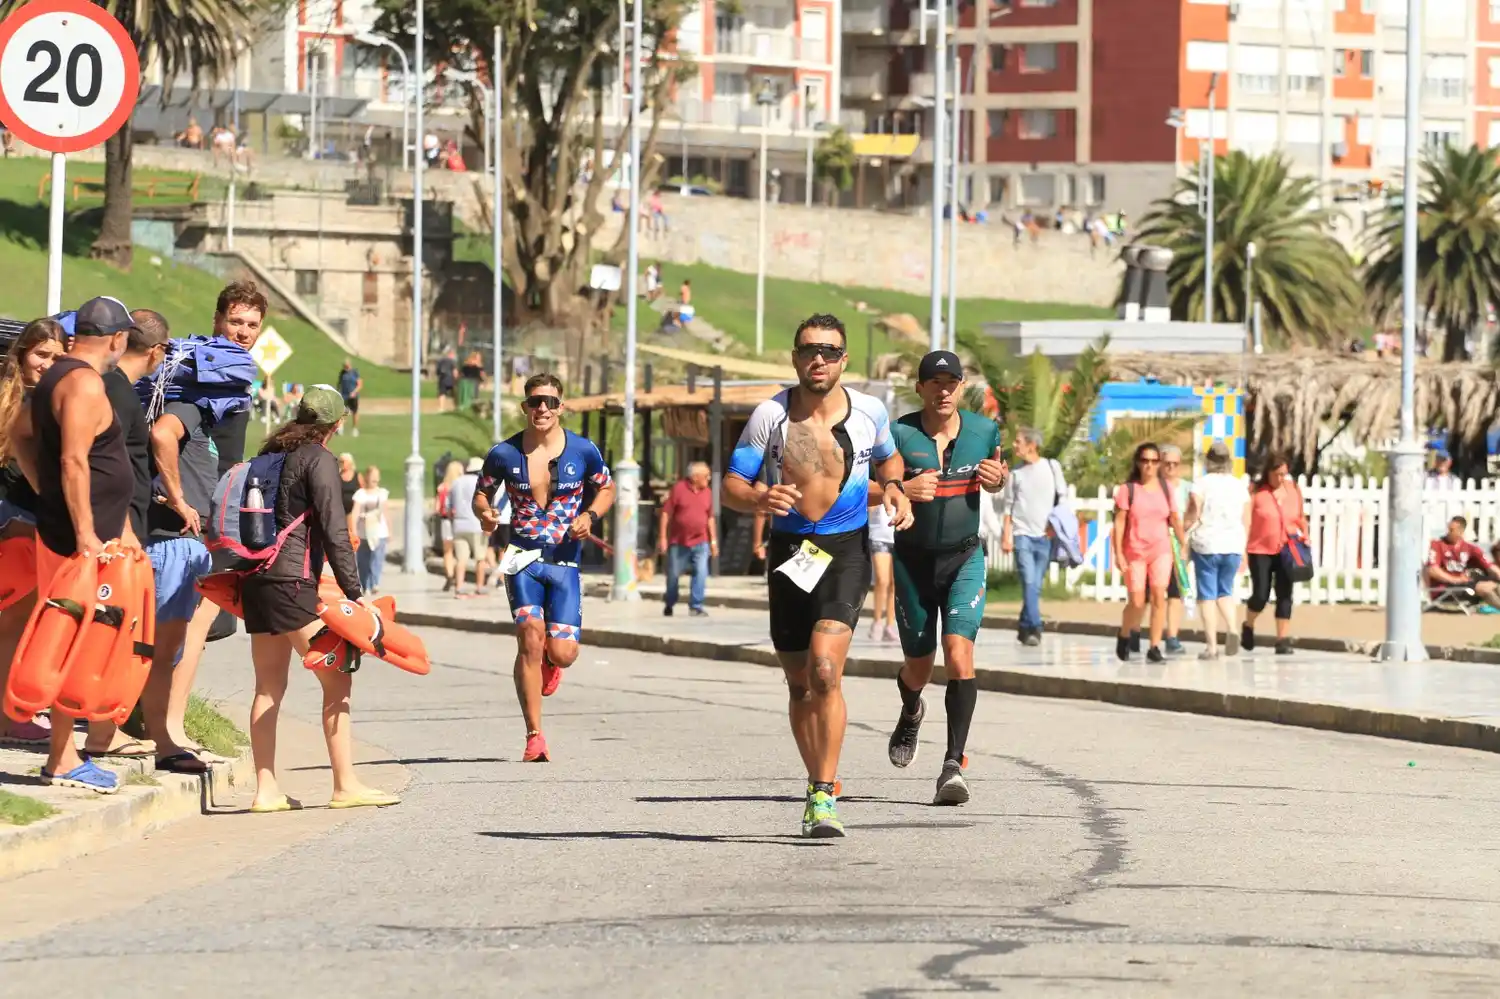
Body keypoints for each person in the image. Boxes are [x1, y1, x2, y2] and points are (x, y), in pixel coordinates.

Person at [723, 313, 912, 839]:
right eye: (809, 350)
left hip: (845, 548)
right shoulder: (771, 416)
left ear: (843, 359)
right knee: (799, 682)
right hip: (790, 550)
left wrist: (894, 490)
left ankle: (822, 795)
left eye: (829, 351)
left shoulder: (870, 410)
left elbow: (889, 462)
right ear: (795, 357)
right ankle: (818, 778)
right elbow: (731, 486)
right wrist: (760, 496)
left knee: (826, 671)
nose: (819, 359)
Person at [240, 387, 398, 812]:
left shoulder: (267, 456)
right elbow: (333, 528)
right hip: (292, 584)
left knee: (268, 686)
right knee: (337, 679)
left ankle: (266, 790)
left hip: (255, 580)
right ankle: (345, 785)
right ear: (337, 424)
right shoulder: (319, 458)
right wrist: (355, 593)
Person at [18, 298, 139, 793]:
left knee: (72, 640)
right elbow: (73, 461)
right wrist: (88, 533)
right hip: (79, 545)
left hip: (72, 532)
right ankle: (62, 761)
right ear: (117, 340)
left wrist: (46, 492)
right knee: (76, 645)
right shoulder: (86, 383)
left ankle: (64, 755)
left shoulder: (54, 378)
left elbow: (19, 435)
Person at [885, 350, 1007, 805]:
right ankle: (912, 709)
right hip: (913, 563)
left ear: (961, 387)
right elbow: (864, 487)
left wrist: (997, 480)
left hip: (964, 559)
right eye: (934, 382)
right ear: (920, 388)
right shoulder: (899, 433)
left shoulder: (983, 431)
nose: (943, 390)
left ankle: (953, 766)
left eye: (951, 382)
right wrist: (900, 489)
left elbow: (997, 475)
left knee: (959, 653)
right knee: (919, 666)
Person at [474, 374, 616, 763]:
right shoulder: (504, 454)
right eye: (535, 402)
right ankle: (534, 735)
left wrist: (590, 515)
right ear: (525, 407)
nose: (542, 409)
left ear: (560, 408)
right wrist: (486, 514)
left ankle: (553, 662)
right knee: (528, 636)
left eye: (549, 402)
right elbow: (482, 494)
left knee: (564, 652)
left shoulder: (583, 451)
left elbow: (607, 487)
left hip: (565, 560)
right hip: (522, 558)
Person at [82, 310, 169, 761]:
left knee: (115, 630)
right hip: (119, 531)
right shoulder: (117, 391)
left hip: (122, 527)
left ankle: (104, 728)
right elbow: (105, 461)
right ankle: (100, 731)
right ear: (155, 351)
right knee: (110, 631)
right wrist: (128, 530)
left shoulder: (118, 390)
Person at [139, 312, 221, 775]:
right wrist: (179, 498)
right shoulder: (191, 403)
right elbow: (161, 435)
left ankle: (128, 731)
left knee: (146, 643)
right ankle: (163, 740)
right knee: (161, 646)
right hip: (173, 540)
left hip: (169, 539)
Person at [0, 319, 65, 747]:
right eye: (41, 354)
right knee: (16, 622)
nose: (48, 364)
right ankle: (9, 716)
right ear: (22, 354)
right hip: (16, 520)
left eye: (58, 357)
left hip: (18, 518)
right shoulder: (25, 402)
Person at [1111, 442, 1185, 663]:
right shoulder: (1128, 490)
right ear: (1138, 463)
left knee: (1159, 597)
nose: (1149, 466)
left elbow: (1174, 518)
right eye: (1145, 461)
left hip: (1160, 549)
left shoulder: (1166, 489)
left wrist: (1183, 544)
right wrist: (1119, 554)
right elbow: (1120, 524)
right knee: (1137, 601)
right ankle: (1124, 634)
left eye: (1154, 461)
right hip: (1135, 551)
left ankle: (1154, 646)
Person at [1183, 441, 1250, 659]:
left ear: (1208, 461)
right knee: (1225, 592)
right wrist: (1244, 549)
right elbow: (1246, 520)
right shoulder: (1239, 486)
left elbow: (1194, 512)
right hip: (1233, 545)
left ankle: (1211, 646)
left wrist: (1183, 533)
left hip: (1207, 544)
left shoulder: (1201, 484)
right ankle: (1232, 628)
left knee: (1207, 596)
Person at [1001, 427, 1066, 646]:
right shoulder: (1016, 474)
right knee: (1029, 581)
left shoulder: (1051, 467)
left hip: (1045, 536)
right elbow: (1008, 508)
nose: (1015, 445)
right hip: (1022, 536)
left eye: (1018, 441)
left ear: (1032, 445)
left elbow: (1063, 498)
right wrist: (1006, 536)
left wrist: (1056, 525)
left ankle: (1023, 625)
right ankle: (1035, 628)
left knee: (1034, 586)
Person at [1243, 451, 1306, 655]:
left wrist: (1305, 533)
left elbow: (1300, 517)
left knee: (1285, 594)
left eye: (1284, 474)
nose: (1280, 478)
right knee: (1261, 594)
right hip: (1260, 549)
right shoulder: (1257, 492)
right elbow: (1246, 521)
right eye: (1277, 474)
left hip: (1287, 548)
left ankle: (1282, 639)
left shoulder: (1293, 490)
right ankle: (1249, 624)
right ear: (1268, 473)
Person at [657, 461, 716, 617]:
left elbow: (710, 518)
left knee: (701, 572)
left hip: (701, 541)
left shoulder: (708, 493)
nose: (709, 478)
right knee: (673, 576)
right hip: (679, 542)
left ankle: (696, 605)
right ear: (695, 477)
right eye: (706, 476)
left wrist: (713, 541)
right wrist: (663, 537)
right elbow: (665, 514)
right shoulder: (679, 489)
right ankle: (670, 601)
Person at [1425, 516, 1500, 609]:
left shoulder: (1469, 548)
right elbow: (1433, 570)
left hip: (1464, 585)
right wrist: (1456, 580)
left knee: (1496, 586)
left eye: (1451, 530)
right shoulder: (1437, 545)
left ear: (1461, 532)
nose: (1448, 532)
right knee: (1485, 589)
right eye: (1448, 529)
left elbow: (1490, 566)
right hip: (1444, 588)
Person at [1159, 444, 1192, 656]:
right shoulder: (1153, 487)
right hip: (1155, 544)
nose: (1171, 467)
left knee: (1175, 592)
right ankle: (1134, 632)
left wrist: (1183, 536)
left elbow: (1194, 512)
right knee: (1148, 594)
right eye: (1167, 463)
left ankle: (1172, 636)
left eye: (1175, 464)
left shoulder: (1187, 488)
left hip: (1177, 545)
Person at [448, 457, 491, 596]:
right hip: (476, 525)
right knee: (480, 558)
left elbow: (450, 507)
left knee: (461, 558)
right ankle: (479, 586)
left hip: (459, 524)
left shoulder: (456, 482)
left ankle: (459, 585)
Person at [353, 465, 390, 595]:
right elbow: (355, 513)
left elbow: (386, 512)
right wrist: (353, 531)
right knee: (363, 560)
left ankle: (375, 583)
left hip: (380, 532)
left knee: (377, 558)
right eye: (372, 475)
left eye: (377, 476)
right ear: (367, 477)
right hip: (363, 533)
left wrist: (390, 531)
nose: (375, 478)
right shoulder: (360, 494)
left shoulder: (382, 493)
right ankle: (365, 585)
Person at [867, 499, 896, 643]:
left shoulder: (903, 486)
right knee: (882, 580)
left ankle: (890, 624)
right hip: (879, 536)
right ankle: (877, 621)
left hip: (897, 537)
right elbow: (869, 507)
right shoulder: (877, 484)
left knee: (894, 583)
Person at [437, 459, 463, 590]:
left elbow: (437, 508)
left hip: (445, 520)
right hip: (459, 520)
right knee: (460, 550)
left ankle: (449, 575)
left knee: (447, 551)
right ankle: (458, 576)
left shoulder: (442, 487)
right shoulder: (459, 486)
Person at [338, 452, 360, 548]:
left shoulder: (356, 475)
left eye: (344, 461)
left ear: (350, 462)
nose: (342, 464)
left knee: (351, 529)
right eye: (340, 461)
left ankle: (352, 546)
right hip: (340, 507)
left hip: (351, 507)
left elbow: (362, 490)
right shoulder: (337, 475)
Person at [337, 359, 362, 437]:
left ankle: (355, 429)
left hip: (353, 396)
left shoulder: (355, 372)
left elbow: (360, 384)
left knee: (355, 412)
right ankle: (340, 428)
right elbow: (339, 383)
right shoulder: (342, 373)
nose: (345, 367)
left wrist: (354, 392)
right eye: (344, 365)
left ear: (350, 364)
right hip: (344, 395)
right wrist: (338, 392)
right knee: (344, 412)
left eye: (346, 365)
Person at [436, 347, 458, 412]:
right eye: (453, 354)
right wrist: (456, 379)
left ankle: (441, 407)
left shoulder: (440, 360)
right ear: (451, 354)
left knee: (442, 393)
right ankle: (456, 406)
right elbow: (455, 371)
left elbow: (437, 371)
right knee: (454, 393)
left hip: (442, 379)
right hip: (450, 379)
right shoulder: (452, 361)